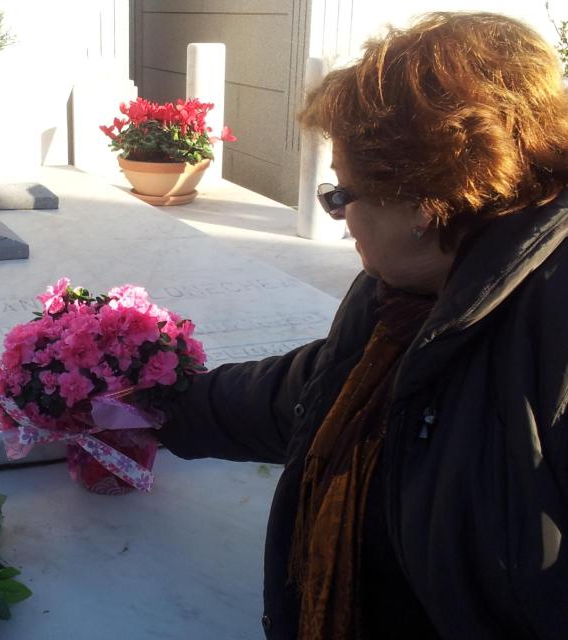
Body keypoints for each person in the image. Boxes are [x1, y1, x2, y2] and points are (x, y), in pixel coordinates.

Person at [157, 12, 568, 640]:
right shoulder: (403, 298)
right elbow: (311, 394)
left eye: (342, 195)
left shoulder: (550, 326)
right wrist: (160, 404)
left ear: (425, 205)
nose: (340, 218)